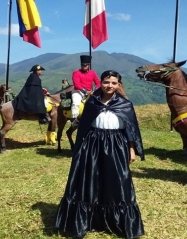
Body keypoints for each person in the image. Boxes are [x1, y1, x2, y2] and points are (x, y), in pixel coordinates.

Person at [55, 70, 144, 239]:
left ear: (118, 84)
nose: (109, 86)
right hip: (92, 144)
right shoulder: (92, 102)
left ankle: (118, 222)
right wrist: (80, 148)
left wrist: (131, 149)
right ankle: (87, 220)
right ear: (100, 83)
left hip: (116, 144)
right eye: (106, 82)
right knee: (89, 180)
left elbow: (130, 129)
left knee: (117, 181)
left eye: (113, 83)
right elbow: (83, 128)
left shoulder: (125, 104)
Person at [71, 55, 101, 120]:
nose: (84, 67)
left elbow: (98, 83)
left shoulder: (92, 73)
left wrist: (95, 90)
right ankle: (74, 119)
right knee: (76, 103)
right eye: (82, 65)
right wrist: (85, 91)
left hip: (90, 92)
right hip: (78, 91)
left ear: (88, 65)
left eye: (85, 65)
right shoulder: (76, 72)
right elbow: (76, 84)